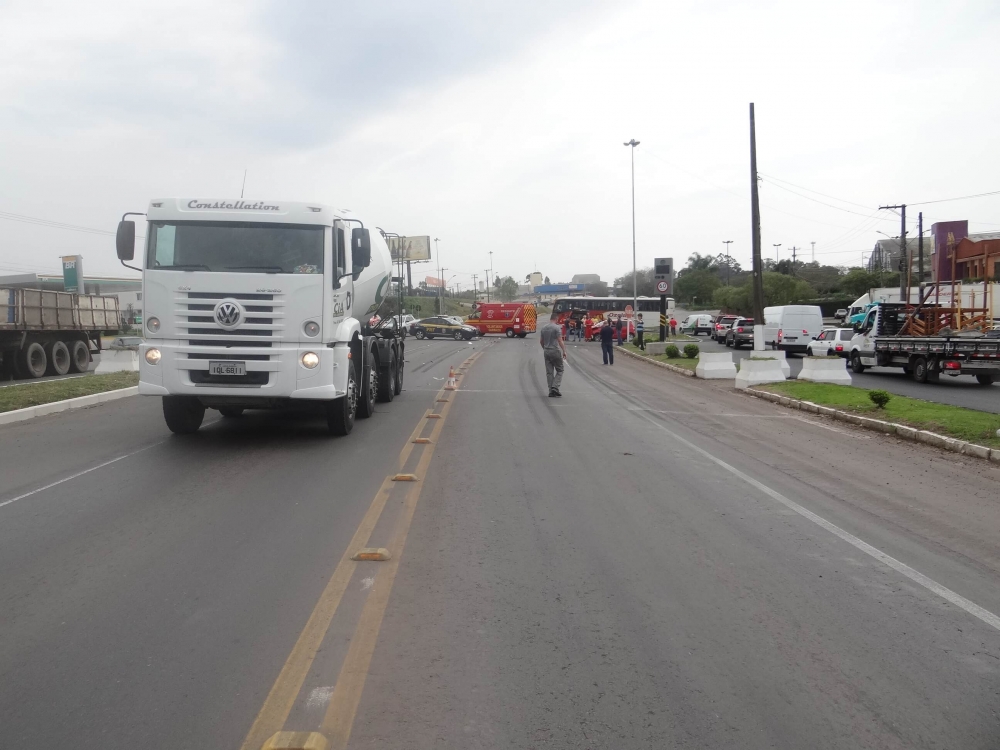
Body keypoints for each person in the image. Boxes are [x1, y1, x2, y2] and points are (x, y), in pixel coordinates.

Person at [539, 313, 568, 397]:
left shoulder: (544, 328)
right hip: (555, 350)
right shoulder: (557, 328)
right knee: (560, 370)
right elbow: (560, 340)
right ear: (556, 319)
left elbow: (541, 341)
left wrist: (544, 348)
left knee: (549, 372)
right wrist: (564, 351)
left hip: (546, 351)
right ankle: (555, 387)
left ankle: (551, 391)